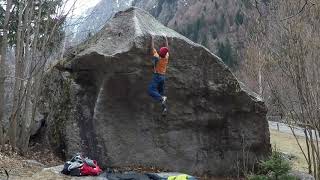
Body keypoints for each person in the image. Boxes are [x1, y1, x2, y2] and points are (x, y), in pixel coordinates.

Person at [147, 34, 169, 114]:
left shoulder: (157, 57)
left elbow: (152, 48)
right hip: (163, 77)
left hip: (157, 77)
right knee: (161, 92)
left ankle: (162, 99)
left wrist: (152, 37)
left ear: (159, 52)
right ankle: (164, 108)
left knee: (150, 90)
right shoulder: (166, 57)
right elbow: (167, 49)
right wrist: (166, 38)